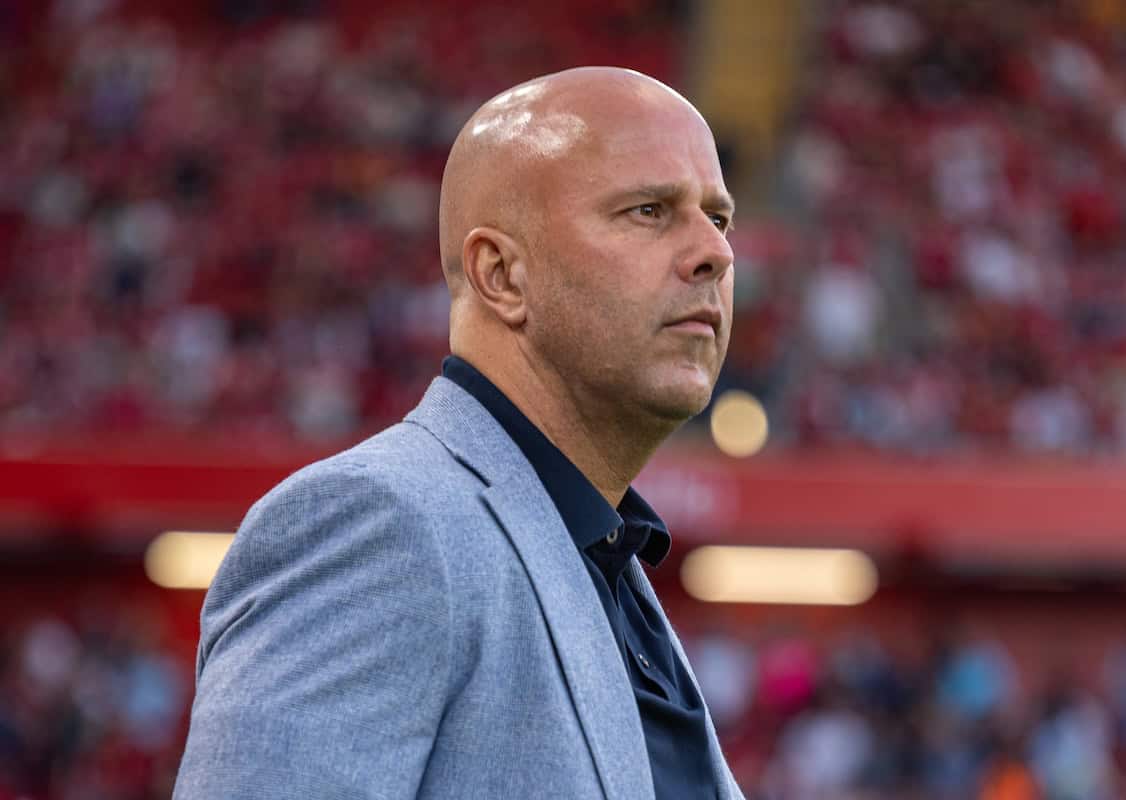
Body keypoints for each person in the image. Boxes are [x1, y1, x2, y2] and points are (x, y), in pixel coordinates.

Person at [174, 66, 742, 799]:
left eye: (719, 218)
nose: (716, 254)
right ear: (501, 275)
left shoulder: (605, 556)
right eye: (647, 210)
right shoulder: (378, 525)